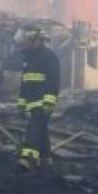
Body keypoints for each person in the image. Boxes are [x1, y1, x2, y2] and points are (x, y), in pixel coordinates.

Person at [15, 26, 60, 171]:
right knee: (41, 129)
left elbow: (53, 81)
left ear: (36, 40)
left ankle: (28, 157)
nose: (24, 43)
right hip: (31, 103)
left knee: (34, 128)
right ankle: (45, 158)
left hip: (42, 103)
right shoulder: (29, 59)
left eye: (27, 40)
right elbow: (25, 82)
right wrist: (21, 103)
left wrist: (48, 102)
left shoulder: (48, 56)